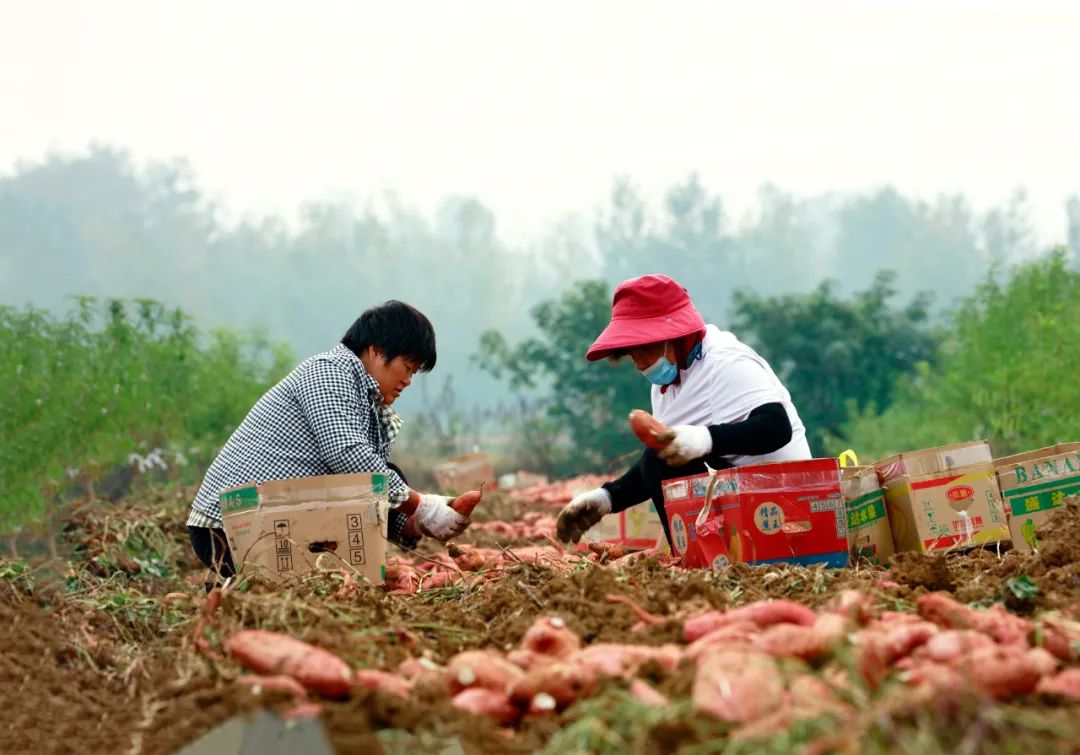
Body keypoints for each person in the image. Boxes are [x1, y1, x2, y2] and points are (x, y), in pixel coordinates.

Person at [186, 300, 471, 587]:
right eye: (407, 367)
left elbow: (367, 488)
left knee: (387, 474)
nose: (408, 381)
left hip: (278, 518)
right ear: (377, 350)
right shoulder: (329, 371)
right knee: (374, 476)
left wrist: (418, 521)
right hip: (230, 526)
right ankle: (233, 595)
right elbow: (347, 455)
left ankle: (236, 594)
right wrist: (421, 505)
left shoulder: (363, 397)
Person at [555, 274, 812, 549]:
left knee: (660, 458)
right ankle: (693, 558)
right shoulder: (667, 384)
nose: (640, 364)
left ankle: (695, 559)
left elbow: (776, 427)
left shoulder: (726, 362)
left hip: (780, 502)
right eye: (632, 355)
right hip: (741, 495)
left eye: (644, 350)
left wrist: (704, 439)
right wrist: (608, 497)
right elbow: (665, 460)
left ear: (673, 337)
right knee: (661, 456)